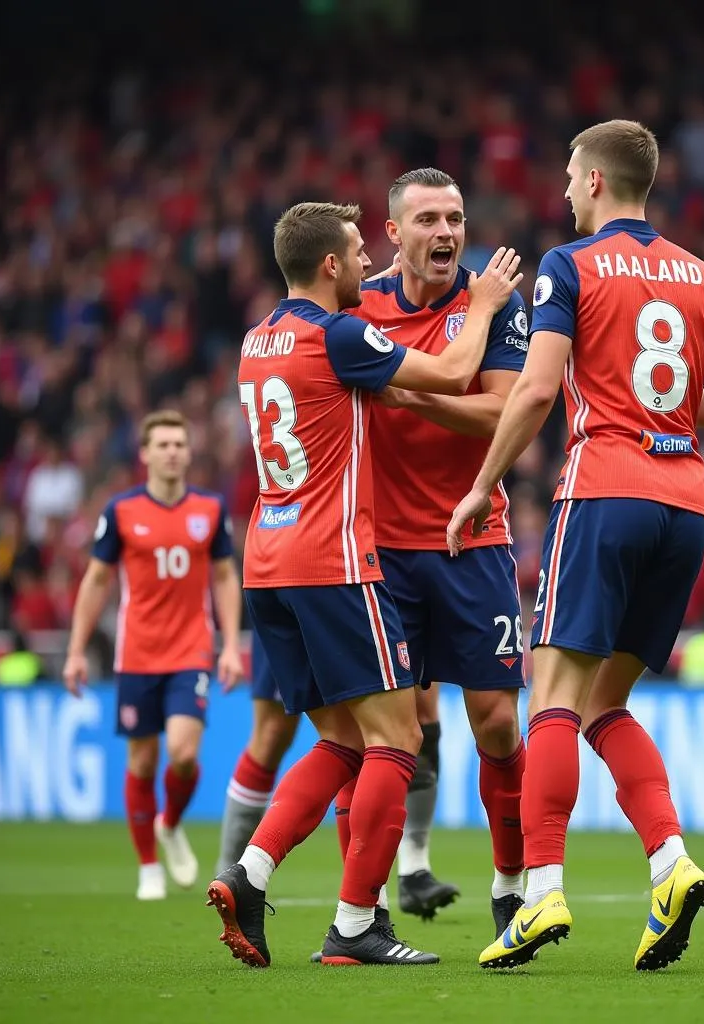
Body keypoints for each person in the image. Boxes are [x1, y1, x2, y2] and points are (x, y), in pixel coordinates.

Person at [448, 119, 704, 971]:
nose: (561, 192)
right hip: (683, 503)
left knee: (550, 692)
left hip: (604, 490)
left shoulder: (568, 266)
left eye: (566, 178)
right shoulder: (703, 274)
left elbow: (540, 387)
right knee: (603, 706)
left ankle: (541, 891)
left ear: (590, 182)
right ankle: (669, 861)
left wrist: (482, 484)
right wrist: (658, 415)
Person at [207, 201, 522, 968]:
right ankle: (356, 924)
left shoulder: (258, 338)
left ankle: (248, 870)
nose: (366, 266)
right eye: (355, 252)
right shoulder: (340, 332)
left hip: (268, 562)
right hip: (335, 561)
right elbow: (451, 373)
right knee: (399, 739)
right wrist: (482, 306)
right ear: (331, 266)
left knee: (342, 741)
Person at [63, 410, 243, 901]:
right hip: (137, 655)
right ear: (144, 454)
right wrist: (76, 651)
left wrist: (229, 646)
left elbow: (225, 576)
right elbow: (97, 580)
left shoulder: (209, 508)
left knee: (183, 755)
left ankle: (169, 822)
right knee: (142, 763)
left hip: (191, 652)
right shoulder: (120, 512)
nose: (171, 452)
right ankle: (148, 866)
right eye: (161, 444)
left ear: (188, 452)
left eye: (178, 444)